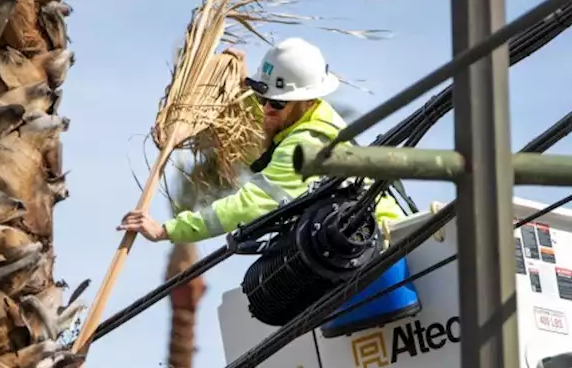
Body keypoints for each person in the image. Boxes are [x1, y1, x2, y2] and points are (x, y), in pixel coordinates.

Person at [119, 37, 405, 245]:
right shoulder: (315, 116)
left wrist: (167, 230)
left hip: (381, 243)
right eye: (262, 98)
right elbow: (269, 118)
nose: (267, 108)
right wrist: (243, 78)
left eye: (277, 103)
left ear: (304, 100)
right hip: (362, 240)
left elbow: (248, 205)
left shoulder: (305, 146)